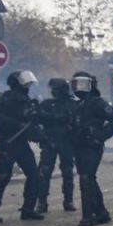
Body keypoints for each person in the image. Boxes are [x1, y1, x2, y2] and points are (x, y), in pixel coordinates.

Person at [0, 70, 46, 223]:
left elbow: (32, 120)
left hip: (21, 143)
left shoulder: (27, 100)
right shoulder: (2, 97)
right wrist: (15, 124)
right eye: (25, 83)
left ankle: (28, 209)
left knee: (34, 175)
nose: (27, 86)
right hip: (8, 142)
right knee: (3, 177)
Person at [69, 71, 113, 226]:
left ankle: (88, 216)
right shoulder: (78, 104)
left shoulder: (97, 102)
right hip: (79, 146)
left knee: (86, 178)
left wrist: (100, 136)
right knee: (89, 179)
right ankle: (101, 213)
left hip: (92, 146)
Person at [36, 77, 78, 214]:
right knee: (44, 171)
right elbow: (37, 118)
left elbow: (72, 120)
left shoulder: (72, 104)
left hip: (66, 141)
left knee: (67, 172)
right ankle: (42, 202)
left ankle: (68, 200)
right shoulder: (47, 104)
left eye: (54, 89)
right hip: (49, 141)